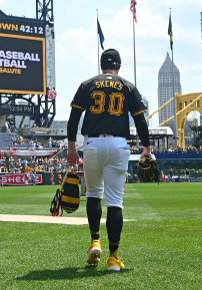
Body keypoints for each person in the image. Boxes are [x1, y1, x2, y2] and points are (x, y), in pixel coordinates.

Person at [66, 48, 150, 271]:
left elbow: (74, 117)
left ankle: (95, 241)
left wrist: (71, 148)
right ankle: (113, 257)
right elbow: (141, 120)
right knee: (115, 201)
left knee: (93, 194)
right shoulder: (127, 86)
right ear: (119, 66)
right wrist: (147, 148)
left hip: (92, 144)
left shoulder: (87, 84)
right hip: (118, 145)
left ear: (101, 65)